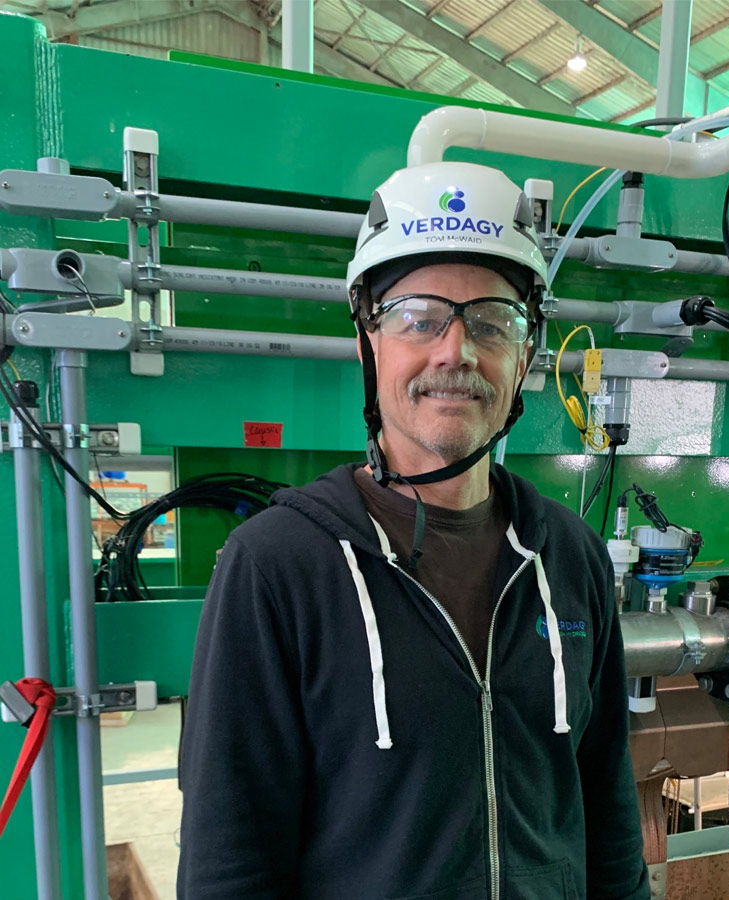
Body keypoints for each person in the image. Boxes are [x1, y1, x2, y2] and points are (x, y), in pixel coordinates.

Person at [177, 161, 649, 900]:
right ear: (369, 343)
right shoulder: (277, 566)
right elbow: (228, 860)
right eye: (418, 317)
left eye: (492, 321)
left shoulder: (572, 557)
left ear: (525, 356)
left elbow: (609, 813)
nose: (454, 352)